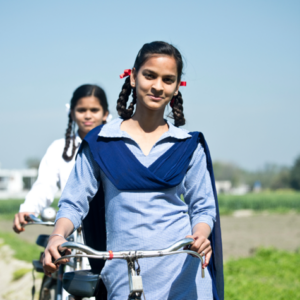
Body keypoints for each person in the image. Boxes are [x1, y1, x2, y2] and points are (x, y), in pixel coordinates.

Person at [43, 41, 224, 300]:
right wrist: (58, 235)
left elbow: (203, 207)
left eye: (168, 79)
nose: (158, 86)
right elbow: (73, 202)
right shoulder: (100, 141)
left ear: (176, 87)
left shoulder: (188, 145)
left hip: (183, 269)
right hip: (123, 271)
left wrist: (201, 234)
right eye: (149, 75)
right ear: (132, 76)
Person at [13, 84, 109, 233]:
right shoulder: (58, 148)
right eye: (81, 110)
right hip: (70, 231)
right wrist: (29, 209)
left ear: (105, 113)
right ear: (72, 113)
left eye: (94, 110)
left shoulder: (117, 146)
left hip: (110, 231)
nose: (88, 115)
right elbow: (44, 185)